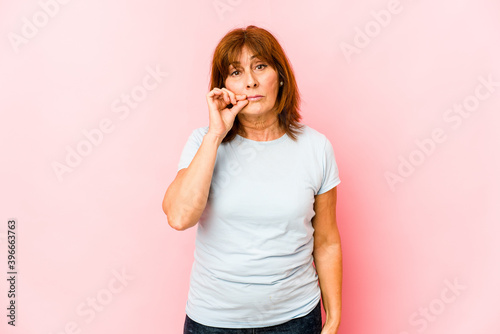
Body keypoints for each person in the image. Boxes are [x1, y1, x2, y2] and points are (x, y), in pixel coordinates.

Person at [162, 25, 342, 334]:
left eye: (260, 66)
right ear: (224, 87)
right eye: (236, 72)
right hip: (213, 322)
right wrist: (216, 134)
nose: (250, 81)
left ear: (280, 76)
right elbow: (179, 217)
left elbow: (325, 241)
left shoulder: (316, 147)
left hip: (296, 320)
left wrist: (335, 318)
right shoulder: (203, 143)